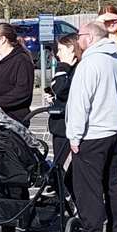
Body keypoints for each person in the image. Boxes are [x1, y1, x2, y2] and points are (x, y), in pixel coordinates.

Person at [62, 22, 117, 232]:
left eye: (79, 36)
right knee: (113, 185)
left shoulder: (90, 64)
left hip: (94, 133)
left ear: (90, 37)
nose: (77, 41)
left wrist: (74, 136)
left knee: (88, 188)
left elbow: (81, 103)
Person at [45, 32, 79, 167]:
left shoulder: (76, 68)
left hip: (68, 128)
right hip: (60, 128)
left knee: (66, 169)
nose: (57, 54)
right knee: (59, 167)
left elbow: (62, 89)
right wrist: (54, 99)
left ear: (71, 48)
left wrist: (63, 67)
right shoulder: (69, 69)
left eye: (60, 49)